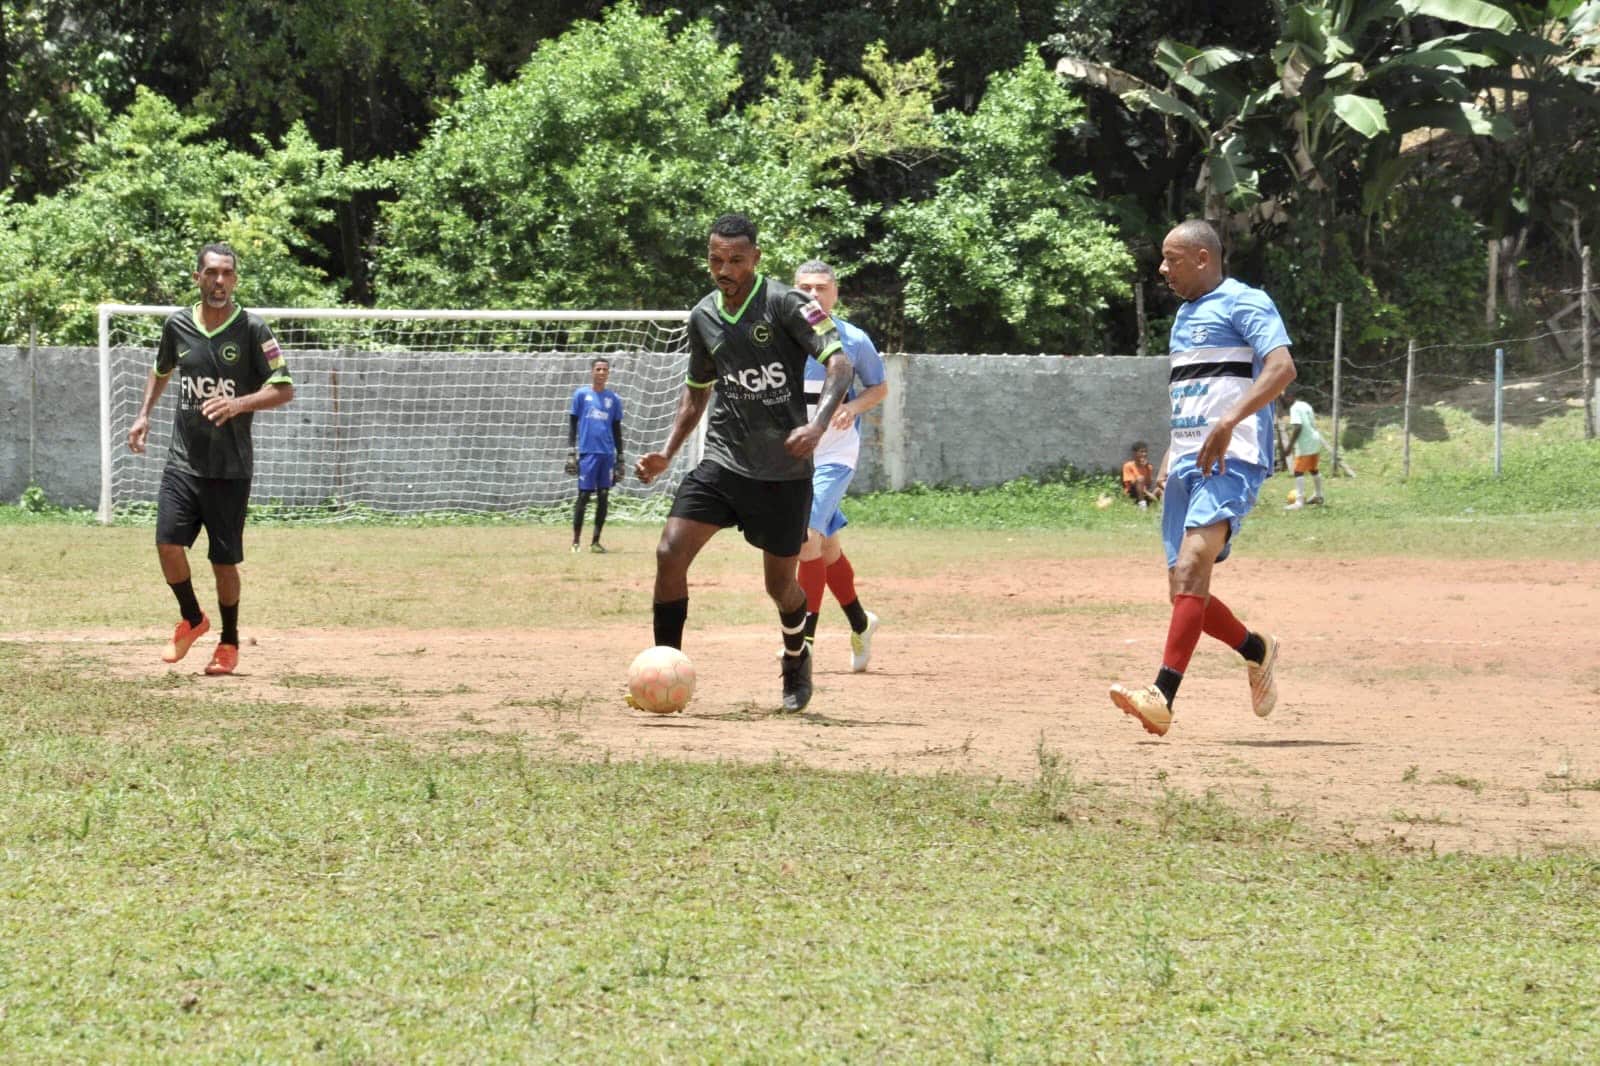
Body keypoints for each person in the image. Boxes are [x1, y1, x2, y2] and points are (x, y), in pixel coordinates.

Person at [635, 214, 853, 712]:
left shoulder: (788, 304)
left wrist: (817, 425)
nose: (724, 269)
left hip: (783, 472)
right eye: (716, 259)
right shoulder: (703, 317)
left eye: (735, 260)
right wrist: (667, 453)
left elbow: (840, 363)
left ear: (755, 257)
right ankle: (665, 666)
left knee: (781, 586)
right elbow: (695, 396)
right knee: (669, 554)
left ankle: (796, 658)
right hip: (723, 461)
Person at [1109, 220, 1296, 737]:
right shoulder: (1184, 318)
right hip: (1188, 461)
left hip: (1231, 456)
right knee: (1183, 591)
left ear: (1202, 258)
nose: (1162, 269)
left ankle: (1161, 695)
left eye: (1171, 259)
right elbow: (1194, 393)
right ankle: (1257, 650)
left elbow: (1281, 369)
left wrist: (1231, 421)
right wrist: (1172, 453)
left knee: (1193, 567)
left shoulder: (1245, 302)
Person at [126, 242, 295, 676]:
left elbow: (284, 388)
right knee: (167, 544)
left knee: (223, 562)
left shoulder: (254, 330)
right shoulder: (177, 326)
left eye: (227, 274)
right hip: (183, 462)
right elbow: (162, 369)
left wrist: (238, 405)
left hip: (230, 468)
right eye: (212, 273)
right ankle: (193, 617)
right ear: (198, 277)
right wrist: (143, 414)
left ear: (235, 280)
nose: (220, 281)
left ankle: (229, 642)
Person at [791, 260, 890, 672]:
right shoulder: (782, 337)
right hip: (794, 456)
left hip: (834, 454)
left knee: (806, 537)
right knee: (825, 548)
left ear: (835, 293)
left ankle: (803, 644)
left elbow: (879, 387)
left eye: (821, 288)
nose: (814, 295)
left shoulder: (852, 339)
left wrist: (851, 405)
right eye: (805, 288)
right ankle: (861, 622)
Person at [567, 357, 624, 552]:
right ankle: (575, 542)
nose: (601, 372)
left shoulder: (614, 399)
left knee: (604, 496)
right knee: (583, 496)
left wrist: (621, 457)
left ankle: (595, 542)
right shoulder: (581, 395)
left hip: (607, 455)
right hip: (588, 453)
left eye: (605, 370)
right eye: (598, 369)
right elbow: (573, 423)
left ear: (608, 374)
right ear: (592, 372)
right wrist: (570, 451)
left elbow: (617, 429)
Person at [1282, 385, 1325, 508]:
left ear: (1290, 397)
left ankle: (1299, 502)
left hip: (1305, 443)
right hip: (1314, 439)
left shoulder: (1294, 408)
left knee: (1298, 471)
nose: (1283, 400)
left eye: (1284, 397)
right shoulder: (1305, 405)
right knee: (1313, 469)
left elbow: (1298, 427)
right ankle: (1318, 495)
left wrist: (1289, 446)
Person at [1121, 440, 1163, 509]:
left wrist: (1146, 467)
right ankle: (1142, 505)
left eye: (1145, 452)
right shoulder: (1128, 465)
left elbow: (1148, 484)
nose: (1144, 454)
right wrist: (1148, 493)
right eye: (1142, 452)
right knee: (1140, 478)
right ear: (1135, 453)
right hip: (1133, 493)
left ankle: (1162, 507)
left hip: (1145, 492)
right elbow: (1131, 483)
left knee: (1159, 489)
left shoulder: (1148, 466)